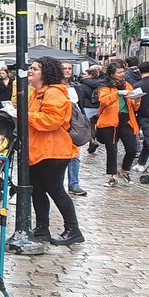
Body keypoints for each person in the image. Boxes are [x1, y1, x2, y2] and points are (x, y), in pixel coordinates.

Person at [26, 57, 83, 246]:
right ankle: (42, 228)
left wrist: (25, 116)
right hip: (38, 149)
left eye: (35, 69)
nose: (30, 71)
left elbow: (52, 121)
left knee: (55, 189)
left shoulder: (53, 93)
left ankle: (73, 229)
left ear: (45, 72)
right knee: (37, 190)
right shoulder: (37, 93)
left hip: (53, 150)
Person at [96, 61, 141, 187]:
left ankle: (124, 170)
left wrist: (137, 100)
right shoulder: (104, 86)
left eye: (123, 72)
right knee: (112, 150)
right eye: (119, 72)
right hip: (109, 122)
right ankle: (112, 176)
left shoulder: (127, 85)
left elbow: (135, 106)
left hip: (126, 120)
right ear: (112, 74)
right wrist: (117, 93)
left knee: (132, 149)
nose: (122, 74)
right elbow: (103, 101)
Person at [61, 61, 87, 197]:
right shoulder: (54, 87)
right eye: (64, 68)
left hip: (74, 123)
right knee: (59, 156)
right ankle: (57, 184)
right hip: (61, 123)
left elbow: (79, 105)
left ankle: (74, 184)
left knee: (75, 154)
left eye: (69, 68)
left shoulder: (76, 86)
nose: (67, 71)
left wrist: (83, 120)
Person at [132, 62, 149, 172]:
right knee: (148, 140)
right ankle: (141, 163)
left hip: (144, 115)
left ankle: (141, 163)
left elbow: (135, 103)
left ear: (139, 71)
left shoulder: (137, 86)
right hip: (147, 116)